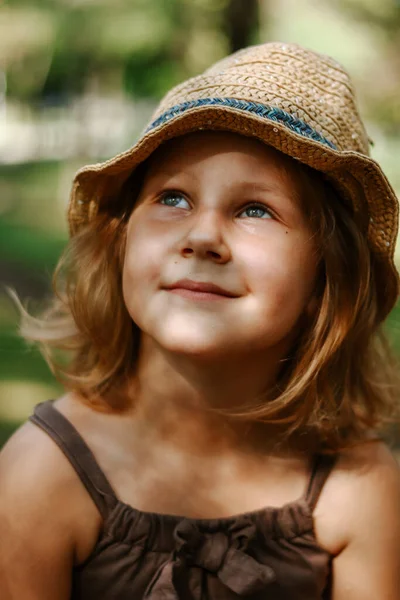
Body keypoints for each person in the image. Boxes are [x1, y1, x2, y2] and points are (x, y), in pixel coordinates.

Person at [1, 41, 400, 600]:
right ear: (120, 242)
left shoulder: (356, 487)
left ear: (324, 279)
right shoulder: (43, 474)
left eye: (255, 209)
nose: (204, 237)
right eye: (174, 198)